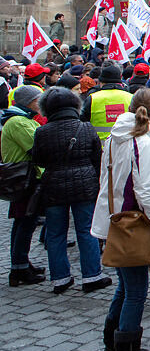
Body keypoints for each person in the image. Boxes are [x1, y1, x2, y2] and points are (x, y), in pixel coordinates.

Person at [90, 88, 150, 351]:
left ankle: (112, 345)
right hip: (130, 224)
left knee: (125, 286)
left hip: (111, 219)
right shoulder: (144, 143)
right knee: (136, 291)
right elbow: (147, 193)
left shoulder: (113, 136)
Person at [33, 87, 109, 294]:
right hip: (84, 183)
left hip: (53, 184)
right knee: (85, 229)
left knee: (55, 233)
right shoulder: (85, 127)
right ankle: (92, 275)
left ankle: (60, 278)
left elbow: (38, 159)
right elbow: (97, 156)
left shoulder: (41, 131)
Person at [2, 86, 45, 287]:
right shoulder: (18, 122)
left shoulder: (21, 119)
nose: (40, 103)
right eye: (38, 100)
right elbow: (36, 147)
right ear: (29, 102)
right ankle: (19, 268)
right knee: (25, 223)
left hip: (25, 177)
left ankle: (21, 263)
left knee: (24, 223)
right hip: (24, 179)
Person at [80, 62, 133, 141]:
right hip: (125, 145)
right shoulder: (130, 97)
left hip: (99, 147)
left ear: (101, 82)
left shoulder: (92, 98)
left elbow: (83, 123)